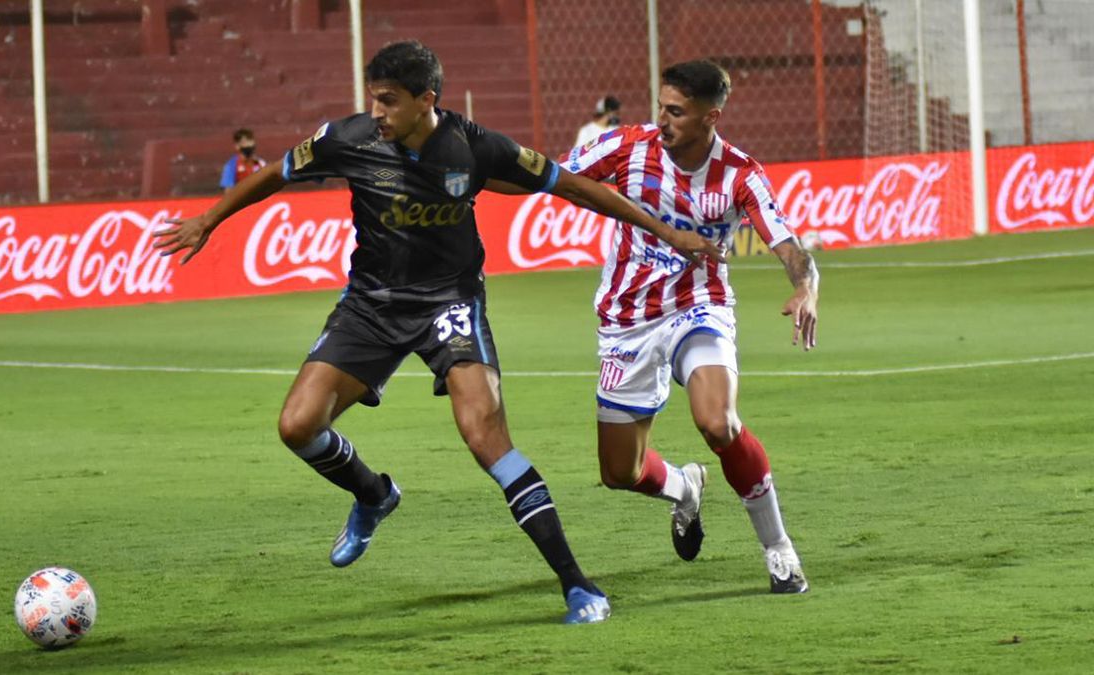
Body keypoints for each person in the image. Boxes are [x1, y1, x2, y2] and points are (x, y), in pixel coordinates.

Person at [153, 41, 722, 623]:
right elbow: (279, 172)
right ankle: (373, 494)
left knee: (485, 438)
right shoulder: (347, 139)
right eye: (372, 98)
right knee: (297, 426)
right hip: (371, 305)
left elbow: (573, 187)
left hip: (450, 304)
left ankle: (578, 585)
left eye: (388, 101)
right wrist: (208, 220)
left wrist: (668, 232)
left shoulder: (475, 146)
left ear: (427, 100)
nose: (376, 111)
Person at [559, 60, 818, 593]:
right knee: (619, 473)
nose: (663, 119)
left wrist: (805, 287)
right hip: (627, 319)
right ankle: (684, 488)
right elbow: (554, 177)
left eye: (676, 111)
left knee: (718, 421)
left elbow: (790, 245)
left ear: (710, 116)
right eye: (661, 107)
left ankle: (778, 549)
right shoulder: (629, 147)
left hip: (699, 306)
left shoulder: (740, 174)